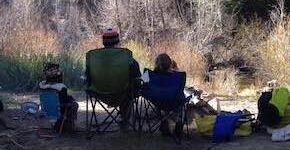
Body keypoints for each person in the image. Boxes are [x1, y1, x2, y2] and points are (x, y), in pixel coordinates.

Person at [100, 28, 141, 128]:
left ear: (104, 43)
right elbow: (137, 76)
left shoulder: (96, 59)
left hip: (100, 93)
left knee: (126, 88)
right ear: (117, 42)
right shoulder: (127, 58)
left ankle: (124, 117)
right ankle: (125, 118)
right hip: (123, 93)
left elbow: (88, 76)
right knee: (129, 88)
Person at [143, 53, 184, 139]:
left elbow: (142, 85)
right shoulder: (178, 76)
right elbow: (180, 90)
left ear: (156, 64)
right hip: (173, 102)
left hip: (157, 101)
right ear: (170, 64)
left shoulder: (147, 74)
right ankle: (178, 123)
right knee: (180, 99)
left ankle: (163, 121)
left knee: (159, 96)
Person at [39, 63, 79, 133]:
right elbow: (64, 102)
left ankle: (59, 125)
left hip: (46, 111)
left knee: (68, 101)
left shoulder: (41, 86)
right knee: (74, 104)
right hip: (58, 112)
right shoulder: (61, 87)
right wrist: (71, 99)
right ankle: (68, 126)